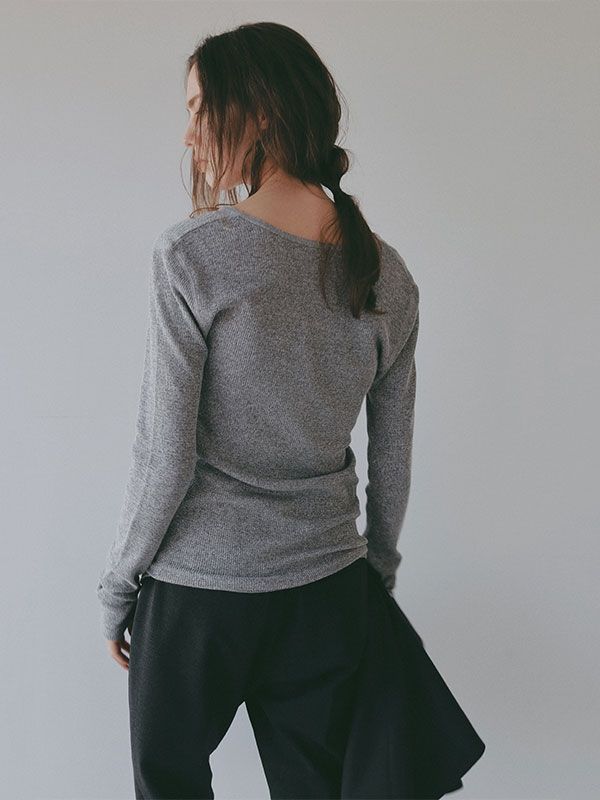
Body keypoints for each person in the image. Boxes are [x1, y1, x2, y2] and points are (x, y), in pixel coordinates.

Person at [96, 21, 477, 800]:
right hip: (328, 590)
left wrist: (120, 587)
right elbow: (392, 455)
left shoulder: (193, 254)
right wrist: (375, 571)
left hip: (199, 594)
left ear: (260, 111)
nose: (188, 133)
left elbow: (164, 454)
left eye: (199, 107)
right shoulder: (387, 274)